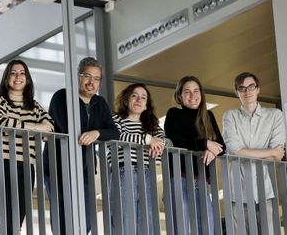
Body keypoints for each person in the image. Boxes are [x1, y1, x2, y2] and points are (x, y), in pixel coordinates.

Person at [43, 57, 119, 234]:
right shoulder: (62, 96)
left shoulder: (99, 103)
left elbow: (114, 131)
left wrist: (97, 133)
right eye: (87, 76)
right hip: (58, 166)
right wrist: (93, 130)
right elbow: (70, 127)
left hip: (84, 167)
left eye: (96, 78)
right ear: (78, 76)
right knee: (63, 216)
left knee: (86, 218)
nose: (91, 82)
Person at [0, 59, 54, 234]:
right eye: (13, 73)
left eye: (22, 73)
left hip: (26, 166)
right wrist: (33, 128)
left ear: (28, 78)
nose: (18, 77)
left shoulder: (34, 106)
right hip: (0, 163)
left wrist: (22, 126)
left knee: (15, 224)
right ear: (6, 78)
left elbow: (50, 128)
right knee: (9, 222)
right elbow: (0, 121)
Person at [223, 72, 285, 235]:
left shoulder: (274, 116)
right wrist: (270, 151)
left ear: (258, 89)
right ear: (236, 92)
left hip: (265, 191)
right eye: (242, 88)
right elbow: (234, 150)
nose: (247, 92)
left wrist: (243, 153)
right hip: (238, 193)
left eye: (251, 87)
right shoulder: (230, 117)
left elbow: (278, 157)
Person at [164, 76, 225, 235]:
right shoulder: (174, 114)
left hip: (201, 180)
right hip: (179, 178)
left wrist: (211, 149)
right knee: (182, 227)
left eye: (196, 91)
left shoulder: (207, 116)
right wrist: (205, 144)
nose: (192, 96)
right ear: (179, 96)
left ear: (201, 93)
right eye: (187, 92)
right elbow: (177, 141)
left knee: (207, 227)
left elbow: (222, 146)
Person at [110, 83, 172, 234]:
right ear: (126, 100)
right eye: (134, 96)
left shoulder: (152, 126)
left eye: (143, 98)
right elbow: (116, 136)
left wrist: (159, 143)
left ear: (146, 105)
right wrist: (148, 141)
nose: (139, 100)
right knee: (125, 221)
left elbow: (168, 143)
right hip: (124, 172)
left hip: (147, 173)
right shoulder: (116, 119)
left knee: (148, 223)